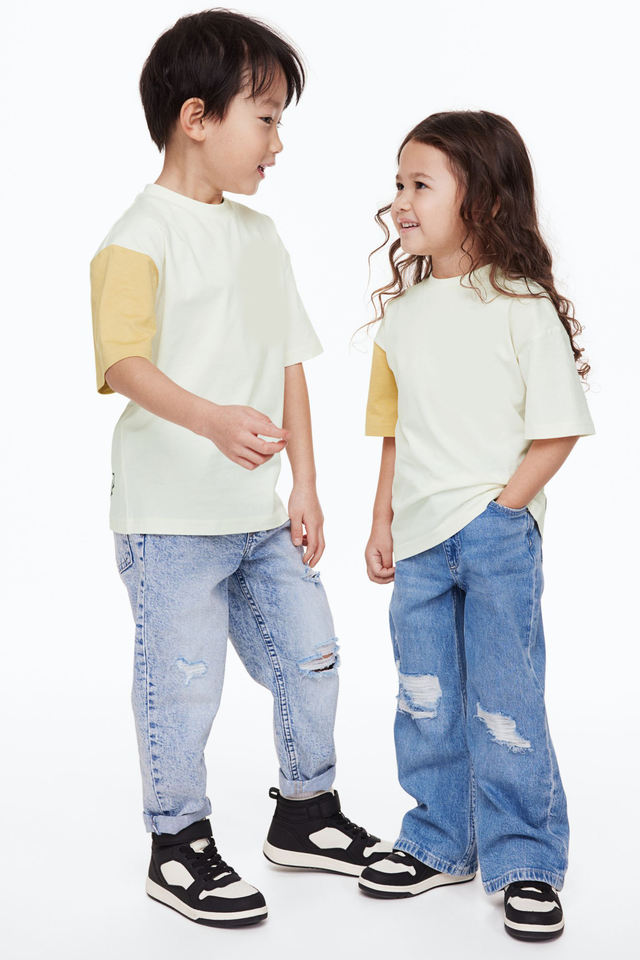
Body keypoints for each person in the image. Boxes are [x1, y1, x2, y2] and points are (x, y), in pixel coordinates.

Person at [89, 8, 389, 929]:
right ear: (197, 118)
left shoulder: (261, 236)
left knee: (311, 654)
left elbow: (289, 359)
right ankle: (177, 843)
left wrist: (308, 484)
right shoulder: (138, 235)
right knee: (181, 684)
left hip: (258, 513)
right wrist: (211, 420)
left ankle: (305, 813)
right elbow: (122, 363)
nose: (278, 143)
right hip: (170, 516)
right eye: (265, 119)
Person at [359, 110, 595, 942]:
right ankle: (438, 840)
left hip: (495, 536)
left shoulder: (521, 306)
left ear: (485, 202)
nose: (401, 201)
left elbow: (558, 428)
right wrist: (382, 518)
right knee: (424, 699)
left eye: (421, 185)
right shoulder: (402, 317)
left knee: (505, 701)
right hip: (420, 541)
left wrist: (505, 509)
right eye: (399, 183)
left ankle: (525, 858)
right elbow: (393, 429)